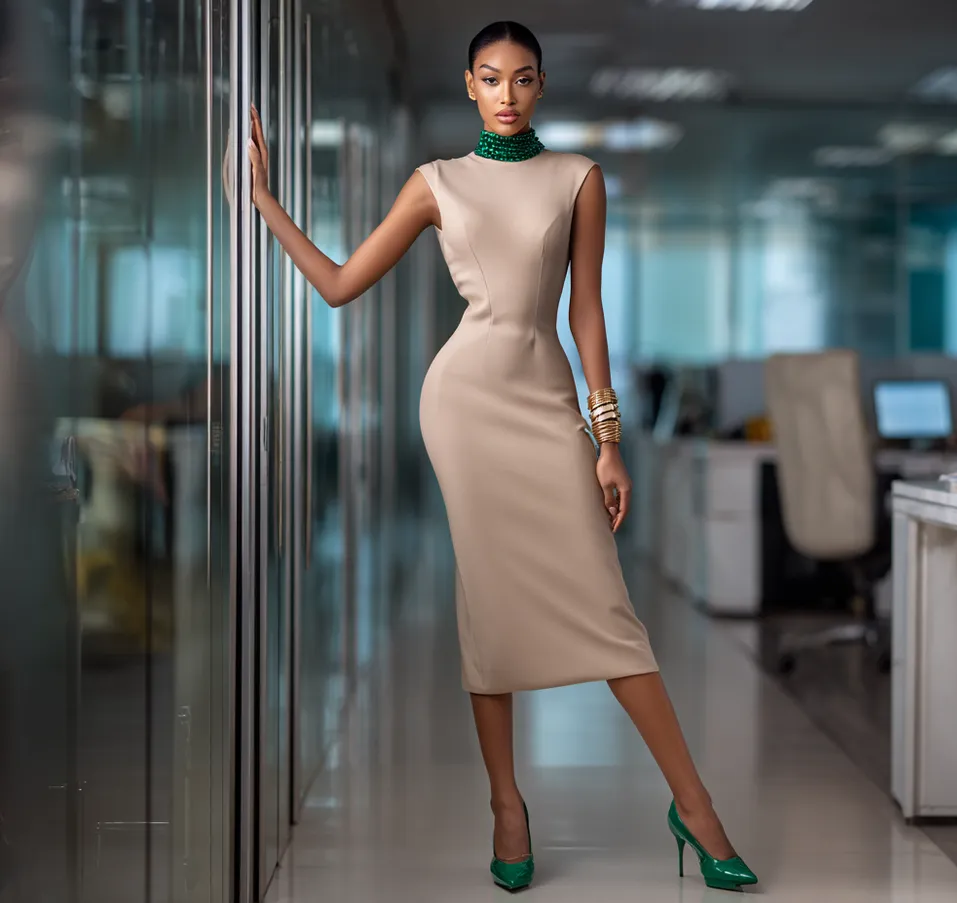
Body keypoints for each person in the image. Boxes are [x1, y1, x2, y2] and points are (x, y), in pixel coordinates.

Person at [246, 20, 757, 893]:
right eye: (491, 78)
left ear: (542, 86)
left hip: (548, 402)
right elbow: (337, 285)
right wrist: (265, 204)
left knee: (608, 607)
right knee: (487, 605)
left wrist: (608, 440)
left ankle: (696, 806)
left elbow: (586, 314)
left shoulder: (579, 179)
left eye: (523, 78)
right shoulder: (436, 182)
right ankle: (507, 806)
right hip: (464, 406)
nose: (508, 94)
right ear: (472, 86)